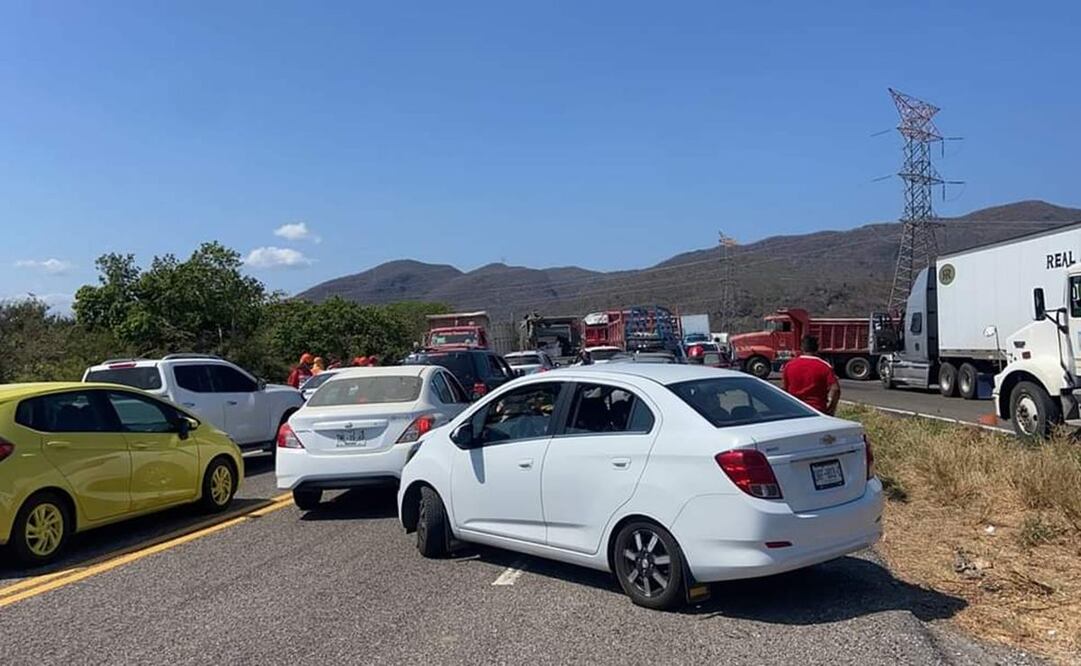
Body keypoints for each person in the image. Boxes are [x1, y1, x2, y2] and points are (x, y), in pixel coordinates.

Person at [781, 336, 840, 415]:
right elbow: (836, 389)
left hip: (794, 408)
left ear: (802, 348)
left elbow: (784, 389)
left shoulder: (789, 365)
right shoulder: (824, 366)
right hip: (817, 409)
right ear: (817, 348)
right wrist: (832, 408)